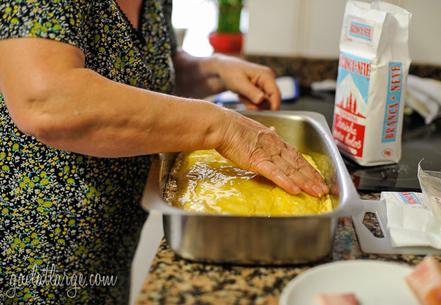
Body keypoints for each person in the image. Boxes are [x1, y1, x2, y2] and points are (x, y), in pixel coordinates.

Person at [0, 0, 328, 303]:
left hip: (107, 248)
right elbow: (46, 101)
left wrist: (216, 70)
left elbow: (146, 75)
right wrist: (222, 126)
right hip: (32, 254)